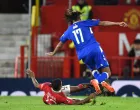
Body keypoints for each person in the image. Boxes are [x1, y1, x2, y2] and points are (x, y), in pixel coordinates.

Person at [46, 9, 127, 94]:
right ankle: (97, 80)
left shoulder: (68, 31)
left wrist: (53, 53)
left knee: (93, 69)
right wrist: (117, 23)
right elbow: (103, 23)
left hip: (82, 55)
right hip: (94, 48)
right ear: (79, 16)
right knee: (107, 72)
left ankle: (101, 82)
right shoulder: (85, 22)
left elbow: (60, 44)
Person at [26, 69, 96, 105]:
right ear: (60, 86)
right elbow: (76, 103)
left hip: (53, 94)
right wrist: (89, 97)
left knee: (77, 89)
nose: (62, 84)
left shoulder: (47, 85)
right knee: (77, 100)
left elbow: (36, 85)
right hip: (56, 96)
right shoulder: (61, 98)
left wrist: (33, 77)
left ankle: (92, 85)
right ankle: (93, 86)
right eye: (61, 84)